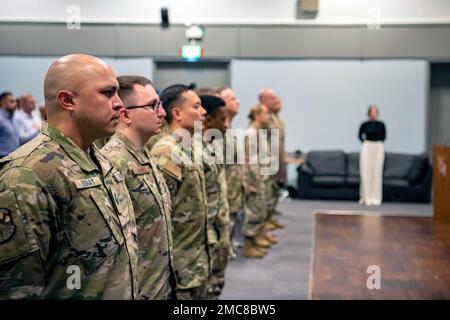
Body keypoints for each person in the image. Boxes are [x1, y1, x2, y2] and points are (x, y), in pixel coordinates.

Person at [0, 54, 139, 299]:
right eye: (107, 93)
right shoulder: (28, 176)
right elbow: (17, 289)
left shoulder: (102, 161)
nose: (119, 104)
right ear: (67, 100)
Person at [101, 75, 177, 300]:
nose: (162, 113)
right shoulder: (113, 162)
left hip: (158, 284)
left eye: (160, 104)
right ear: (125, 114)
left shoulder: (143, 155)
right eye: (153, 106)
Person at [150, 84, 210, 300]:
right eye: (196, 106)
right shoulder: (167, 151)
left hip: (194, 260)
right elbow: (158, 216)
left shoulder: (189, 147)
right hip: (178, 266)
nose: (203, 112)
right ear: (176, 113)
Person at [199, 94, 231, 299]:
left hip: (219, 226)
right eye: (223, 119)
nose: (226, 125)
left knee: (215, 285)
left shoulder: (212, 146)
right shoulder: (192, 150)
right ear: (209, 120)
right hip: (204, 233)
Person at [241, 104, 277, 258]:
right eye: (265, 114)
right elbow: (247, 159)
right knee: (253, 211)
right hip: (253, 175)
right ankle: (248, 245)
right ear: (257, 115)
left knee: (260, 208)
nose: (268, 117)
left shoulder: (258, 132)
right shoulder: (251, 133)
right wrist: (250, 181)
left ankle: (257, 237)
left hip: (259, 174)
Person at [217, 87, 244, 256]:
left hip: (234, 188)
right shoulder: (217, 133)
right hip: (224, 192)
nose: (237, 101)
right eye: (232, 98)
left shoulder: (230, 129)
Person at [258, 89, 285, 230]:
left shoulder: (274, 116)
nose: (276, 100)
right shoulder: (262, 116)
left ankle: (269, 216)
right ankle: (263, 222)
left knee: (273, 189)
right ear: (263, 100)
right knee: (266, 191)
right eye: (272, 98)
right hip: (267, 159)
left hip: (276, 157)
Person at [358, 104, 386, 206]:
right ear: (369, 112)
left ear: (377, 112)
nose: (373, 113)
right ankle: (366, 197)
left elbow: (384, 136)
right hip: (367, 146)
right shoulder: (364, 124)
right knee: (366, 172)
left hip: (378, 147)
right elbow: (359, 135)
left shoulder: (381, 124)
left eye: (375, 111)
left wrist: (377, 143)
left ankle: (376, 198)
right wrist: (366, 142)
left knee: (377, 173)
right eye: (372, 111)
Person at [0, 91, 20, 157]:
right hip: (2, 158)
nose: (15, 104)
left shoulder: (15, 119)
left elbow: (18, 139)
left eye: (15, 101)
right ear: (2, 103)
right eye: (12, 101)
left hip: (14, 158)